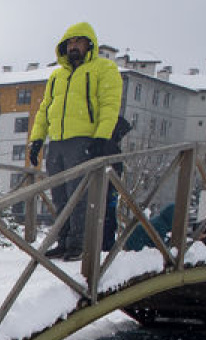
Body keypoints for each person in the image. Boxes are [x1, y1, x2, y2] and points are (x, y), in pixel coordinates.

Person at [28, 22, 123, 261]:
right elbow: (45, 109)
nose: (73, 47)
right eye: (69, 43)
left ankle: (79, 244)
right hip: (57, 141)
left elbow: (109, 105)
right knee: (59, 194)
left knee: (79, 195)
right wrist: (37, 139)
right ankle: (64, 240)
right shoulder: (57, 75)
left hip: (84, 139)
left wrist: (102, 136)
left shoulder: (104, 68)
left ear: (88, 44)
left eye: (78, 42)